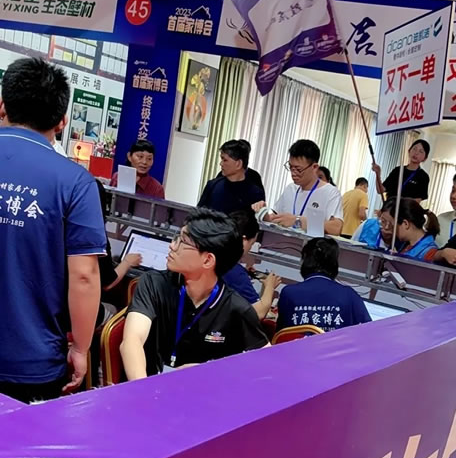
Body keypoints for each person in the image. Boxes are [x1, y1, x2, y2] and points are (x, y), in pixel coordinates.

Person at [0, 57, 106, 402]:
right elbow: (85, 276)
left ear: (2, 106)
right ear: (62, 121)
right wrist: (81, 348)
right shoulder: (76, 183)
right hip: (32, 360)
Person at [121, 208, 269, 379]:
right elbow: (132, 341)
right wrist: (144, 389)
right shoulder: (153, 284)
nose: (172, 246)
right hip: (148, 385)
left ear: (208, 260)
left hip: (203, 392)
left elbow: (267, 362)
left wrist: (211, 371)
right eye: (176, 237)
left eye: (182, 242)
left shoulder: (236, 308)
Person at [276, 237, 371, 332]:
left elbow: (281, 334)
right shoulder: (349, 295)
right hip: (337, 343)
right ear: (334, 263)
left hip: (296, 342)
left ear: (305, 261)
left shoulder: (288, 293)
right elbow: (369, 330)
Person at [260, 140, 343, 236]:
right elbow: (276, 218)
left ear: (314, 167)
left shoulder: (330, 192)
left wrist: (297, 221)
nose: (293, 173)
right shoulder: (291, 189)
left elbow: (336, 228)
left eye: (298, 169)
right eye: (291, 167)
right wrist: (263, 213)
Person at [95, 180, 142, 325]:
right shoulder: (96, 237)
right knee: (116, 310)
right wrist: (127, 262)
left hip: (53, 304)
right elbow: (108, 283)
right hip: (79, 310)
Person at [226, 209, 281, 320]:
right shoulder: (234, 272)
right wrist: (270, 286)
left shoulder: (214, 259)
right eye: (251, 244)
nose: (250, 249)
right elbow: (258, 313)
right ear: (243, 240)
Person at [199, 139, 265, 214]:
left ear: (238, 164)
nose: (221, 164)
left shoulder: (256, 193)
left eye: (225, 160)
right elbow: (198, 214)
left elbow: (259, 218)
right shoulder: (212, 185)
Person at [372, 138, 430, 204]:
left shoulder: (423, 176)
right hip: (389, 208)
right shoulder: (398, 170)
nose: (416, 153)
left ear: (425, 158)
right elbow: (380, 190)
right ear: (409, 151)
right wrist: (378, 174)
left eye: (421, 151)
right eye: (414, 149)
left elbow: (417, 200)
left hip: (405, 210)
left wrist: (399, 204)